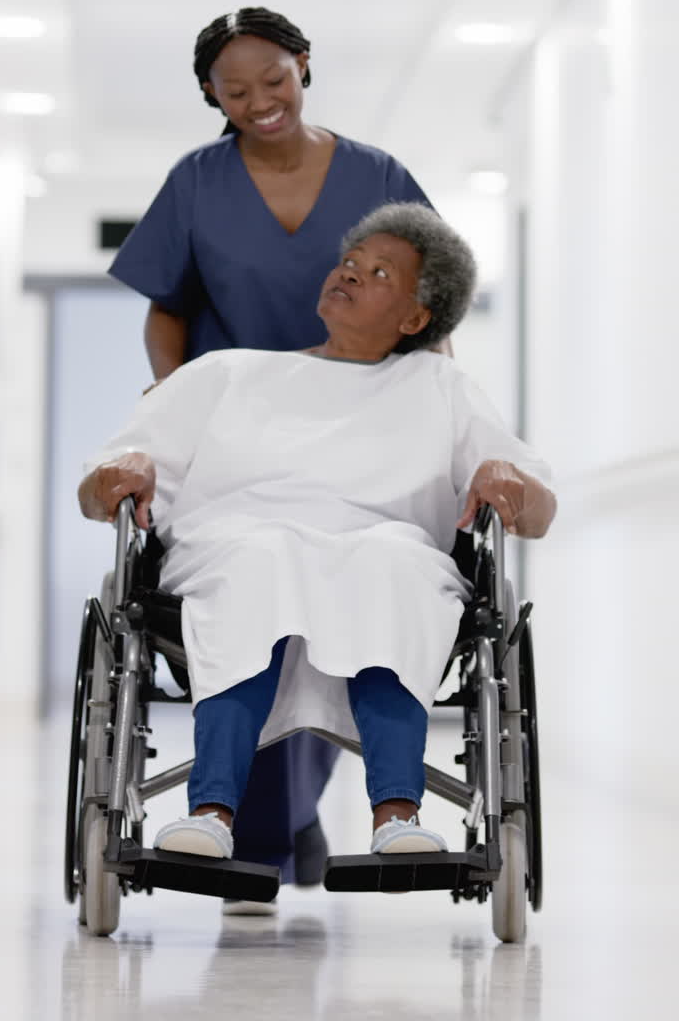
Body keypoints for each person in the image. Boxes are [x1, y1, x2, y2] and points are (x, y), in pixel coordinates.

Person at [81, 203, 556, 863]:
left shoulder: (440, 384)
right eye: (350, 262)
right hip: (235, 548)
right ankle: (211, 813)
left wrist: (506, 474)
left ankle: (398, 814)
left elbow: (536, 512)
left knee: (393, 559)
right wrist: (120, 471)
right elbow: (99, 488)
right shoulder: (223, 373)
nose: (351, 273)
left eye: (380, 272)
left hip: (385, 553)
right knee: (264, 552)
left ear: (415, 318)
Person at [107, 5, 444, 894]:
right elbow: (167, 311)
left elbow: (429, 305)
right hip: (242, 438)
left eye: (274, 79)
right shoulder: (198, 183)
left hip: (361, 432)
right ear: (211, 96)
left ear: (303, 64)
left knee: (354, 584)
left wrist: (434, 400)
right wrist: (176, 408)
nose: (260, 101)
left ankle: (279, 824)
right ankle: (266, 829)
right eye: (235, 90)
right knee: (260, 582)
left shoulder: (377, 175)